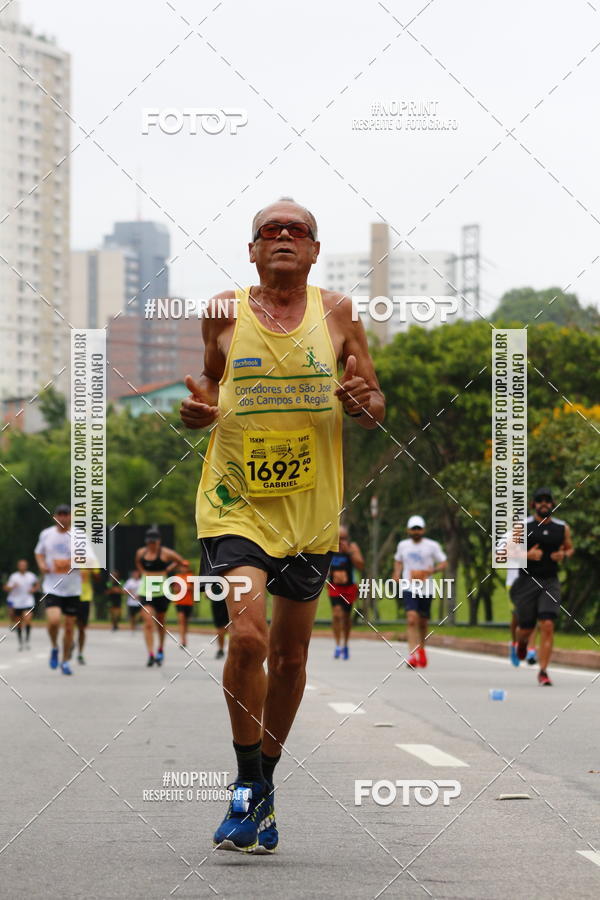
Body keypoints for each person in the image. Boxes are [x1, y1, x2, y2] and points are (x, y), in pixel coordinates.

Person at [180, 197, 384, 853]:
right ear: (252, 250)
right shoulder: (222, 311)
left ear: (316, 250)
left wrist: (364, 403)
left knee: (292, 657)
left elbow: (373, 400)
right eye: (271, 230)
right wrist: (199, 409)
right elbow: (208, 386)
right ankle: (245, 789)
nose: (285, 237)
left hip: (311, 510)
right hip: (234, 499)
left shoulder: (340, 315)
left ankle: (265, 781)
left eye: (299, 230)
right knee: (247, 638)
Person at [513, 487, 573, 685]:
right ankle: (521, 643)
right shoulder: (523, 526)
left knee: (547, 624)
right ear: (533, 505)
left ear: (553, 505)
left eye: (548, 500)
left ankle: (544, 671)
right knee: (526, 629)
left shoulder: (562, 528)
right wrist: (526, 555)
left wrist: (563, 555)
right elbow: (506, 553)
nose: (544, 504)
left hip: (550, 581)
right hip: (527, 581)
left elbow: (569, 548)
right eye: (540, 501)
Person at [393, 515, 447, 669]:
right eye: (413, 529)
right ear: (408, 530)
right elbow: (398, 560)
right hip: (409, 587)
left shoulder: (432, 546)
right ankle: (412, 655)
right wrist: (396, 573)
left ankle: (421, 649)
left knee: (423, 622)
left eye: (418, 529)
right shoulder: (403, 545)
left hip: (426, 588)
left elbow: (443, 562)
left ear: (423, 530)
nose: (416, 532)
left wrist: (433, 570)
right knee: (411, 618)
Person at [34, 504, 82, 675]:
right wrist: (41, 565)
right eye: (60, 514)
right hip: (52, 586)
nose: (63, 517)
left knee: (69, 627)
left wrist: (70, 562)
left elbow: (86, 558)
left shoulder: (79, 535)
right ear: (55, 517)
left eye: (66, 514)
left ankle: (65, 661)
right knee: (54, 621)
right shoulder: (46, 534)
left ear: (70, 517)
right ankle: (55, 646)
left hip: (73, 588)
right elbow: (39, 553)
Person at [135, 528, 186, 666]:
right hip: (146, 591)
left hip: (162, 592)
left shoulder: (166, 553)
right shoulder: (141, 552)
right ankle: (151, 654)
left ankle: (160, 649)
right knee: (148, 622)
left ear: (159, 541)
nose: (151, 545)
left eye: (154, 542)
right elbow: (138, 562)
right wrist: (143, 572)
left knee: (160, 623)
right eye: (149, 542)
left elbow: (181, 561)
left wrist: (168, 570)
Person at [328, 525, 364, 659]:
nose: (341, 541)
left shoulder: (352, 547)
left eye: (344, 538)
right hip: (334, 586)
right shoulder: (330, 547)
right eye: (339, 539)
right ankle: (337, 645)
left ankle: (345, 644)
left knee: (346, 617)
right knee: (336, 614)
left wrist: (349, 552)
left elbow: (360, 565)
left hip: (349, 587)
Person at [4, 559, 38, 649]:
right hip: (17, 603)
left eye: (24, 565)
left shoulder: (31, 576)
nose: (22, 567)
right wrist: (12, 586)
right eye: (21, 565)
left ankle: (27, 640)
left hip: (28, 601)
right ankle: (20, 642)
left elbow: (37, 584)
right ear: (18, 566)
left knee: (28, 620)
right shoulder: (14, 577)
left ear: (26, 566)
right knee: (19, 623)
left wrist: (34, 590)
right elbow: (6, 588)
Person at [507, 569, 537, 667]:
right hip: (514, 582)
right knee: (516, 617)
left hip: (533, 581)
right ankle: (515, 644)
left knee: (533, 615)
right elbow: (498, 557)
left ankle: (531, 650)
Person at [76, 568, 97, 664]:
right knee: (69, 624)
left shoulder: (90, 560)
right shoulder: (69, 556)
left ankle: (80, 653)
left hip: (85, 597)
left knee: (81, 628)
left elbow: (98, 579)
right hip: (71, 595)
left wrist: (92, 570)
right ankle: (70, 642)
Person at [175, 560, 194, 648]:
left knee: (186, 622)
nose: (184, 568)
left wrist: (184, 587)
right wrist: (186, 587)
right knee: (181, 621)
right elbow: (175, 589)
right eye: (182, 566)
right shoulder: (177, 577)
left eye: (185, 566)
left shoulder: (191, 576)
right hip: (180, 602)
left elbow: (194, 588)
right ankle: (183, 640)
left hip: (189, 602)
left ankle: (184, 637)